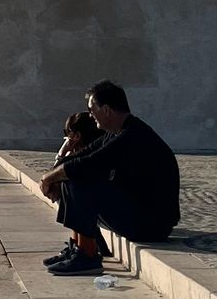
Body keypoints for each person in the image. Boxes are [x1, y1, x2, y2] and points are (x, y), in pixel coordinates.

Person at [39, 81, 180, 275]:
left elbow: (89, 163)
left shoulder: (133, 136)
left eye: (92, 109)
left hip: (151, 224)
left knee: (80, 177)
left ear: (105, 109)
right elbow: (79, 156)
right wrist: (52, 177)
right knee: (71, 174)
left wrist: (48, 179)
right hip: (136, 212)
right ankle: (78, 247)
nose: (90, 115)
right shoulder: (115, 133)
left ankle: (87, 255)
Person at [42, 110, 103, 268]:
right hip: (106, 206)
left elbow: (66, 168)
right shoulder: (94, 148)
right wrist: (62, 154)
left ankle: (86, 253)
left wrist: (62, 153)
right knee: (68, 178)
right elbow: (62, 168)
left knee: (75, 179)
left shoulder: (96, 151)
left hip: (117, 212)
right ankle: (78, 246)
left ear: (77, 135)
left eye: (68, 134)